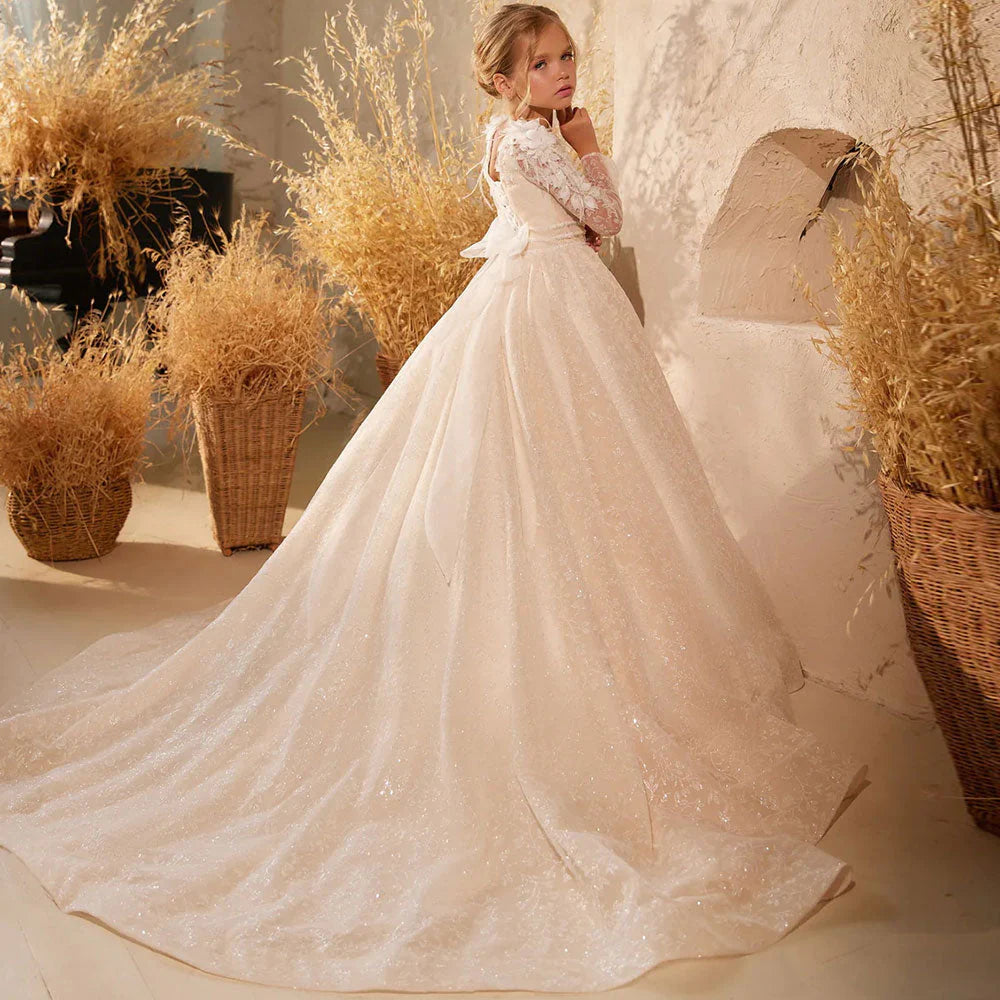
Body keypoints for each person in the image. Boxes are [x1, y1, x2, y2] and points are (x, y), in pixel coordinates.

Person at [0, 2, 869, 992]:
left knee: (564, 483)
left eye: (567, 57)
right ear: (502, 79)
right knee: (544, 482)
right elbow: (607, 219)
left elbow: (569, 229)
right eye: (541, 64)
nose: (562, 74)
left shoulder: (507, 139)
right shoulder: (534, 141)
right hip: (544, 313)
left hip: (536, 305)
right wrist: (591, 146)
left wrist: (572, 148)